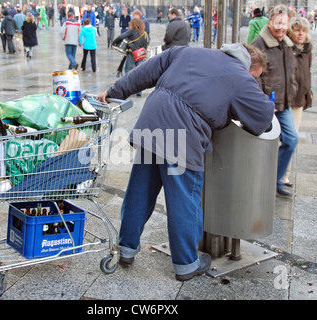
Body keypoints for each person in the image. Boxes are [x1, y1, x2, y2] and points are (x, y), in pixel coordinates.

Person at [97, 43, 274, 281]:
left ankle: (126, 249)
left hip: (152, 123)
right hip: (183, 136)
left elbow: (146, 71)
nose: (253, 82)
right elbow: (262, 119)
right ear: (249, 65)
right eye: (255, 77)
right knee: (184, 200)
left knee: (140, 191)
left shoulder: (189, 51)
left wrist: (114, 91)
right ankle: (187, 264)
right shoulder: (241, 77)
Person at [251, 5, 299, 198]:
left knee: (291, 139)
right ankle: (259, 180)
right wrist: (262, 102)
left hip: (284, 102)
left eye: (284, 23)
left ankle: (275, 180)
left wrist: (293, 89)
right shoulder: (259, 43)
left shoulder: (287, 43)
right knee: (261, 145)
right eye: (277, 22)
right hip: (267, 105)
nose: (280, 27)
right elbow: (254, 76)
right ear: (270, 22)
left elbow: (292, 71)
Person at [280, 17, 313, 187]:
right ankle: (278, 174)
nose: (301, 34)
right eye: (297, 30)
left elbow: (306, 72)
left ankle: (284, 174)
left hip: (299, 100)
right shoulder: (286, 48)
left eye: (304, 30)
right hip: (285, 100)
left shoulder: (306, 49)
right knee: (287, 139)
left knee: (292, 139)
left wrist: (308, 92)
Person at [112, 17, 148, 82]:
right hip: (141, 55)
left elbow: (121, 37)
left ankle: (129, 87)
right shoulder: (144, 33)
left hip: (132, 54)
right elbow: (146, 45)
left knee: (128, 70)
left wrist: (114, 43)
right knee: (139, 72)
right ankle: (139, 91)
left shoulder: (131, 31)